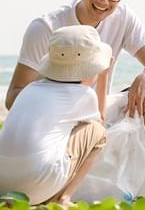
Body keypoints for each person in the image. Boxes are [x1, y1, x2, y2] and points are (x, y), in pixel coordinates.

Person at [5, 0, 145, 158]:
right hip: (55, 117)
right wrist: (58, 102)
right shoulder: (46, 27)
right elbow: (13, 97)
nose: (104, 1)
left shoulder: (123, 17)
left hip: (98, 112)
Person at [0, 25, 111, 205]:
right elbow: (101, 120)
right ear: (90, 69)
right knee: (98, 132)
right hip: (35, 187)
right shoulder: (82, 94)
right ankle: (62, 198)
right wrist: (104, 76)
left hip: (3, 187)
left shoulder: (29, 89)